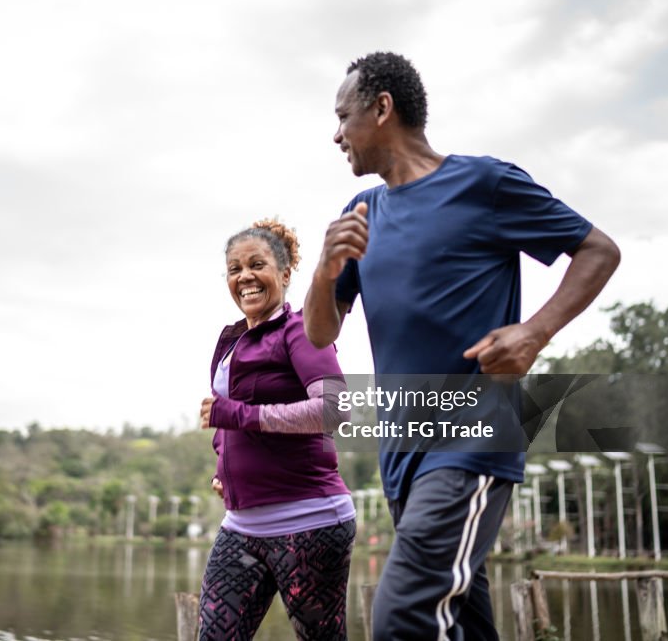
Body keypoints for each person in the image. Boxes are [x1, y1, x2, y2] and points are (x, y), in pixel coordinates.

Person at [304, 52, 621, 640]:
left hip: (471, 438)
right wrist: (324, 270)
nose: (336, 134)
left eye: (343, 116)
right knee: (463, 623)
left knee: (403, 616)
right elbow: (321, 332)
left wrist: (535, 331)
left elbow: (598, 250)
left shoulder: (484, 183)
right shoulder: (361, 213)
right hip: (401, 451)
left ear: (381, 108)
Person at [198, 218, 357, 641]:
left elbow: (334, 409)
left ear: (285, 274)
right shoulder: (232, 341)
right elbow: (224, 423)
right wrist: (223, 469)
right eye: (234, 269)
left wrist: (240, 415)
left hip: (310, 521)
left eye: (257, 265)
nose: (245, 277)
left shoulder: (301, 332)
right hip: (242, 525)